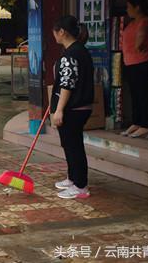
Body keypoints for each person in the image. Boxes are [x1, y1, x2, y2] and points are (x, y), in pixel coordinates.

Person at [50, 15, 94, 199]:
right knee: (69, 144)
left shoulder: (71, 54)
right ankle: (72, 178)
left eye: (55, 32)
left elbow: (67, 84)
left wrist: (59, 109)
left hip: (73, 108)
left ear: (62, 32)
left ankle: (81, 186)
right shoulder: (79, 50)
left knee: (74, 145)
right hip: (79, 106)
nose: (54, 35)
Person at [120, 0, 148, 138]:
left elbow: (140, 39)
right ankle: (136, 122)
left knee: (142, 93)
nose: (127, 10)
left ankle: (145, 124)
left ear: (138, 8)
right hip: (131, 62)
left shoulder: (144, 21)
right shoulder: (133, 22)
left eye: (129, 7)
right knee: (135, 93)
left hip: (141, 61)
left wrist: (138, 46)